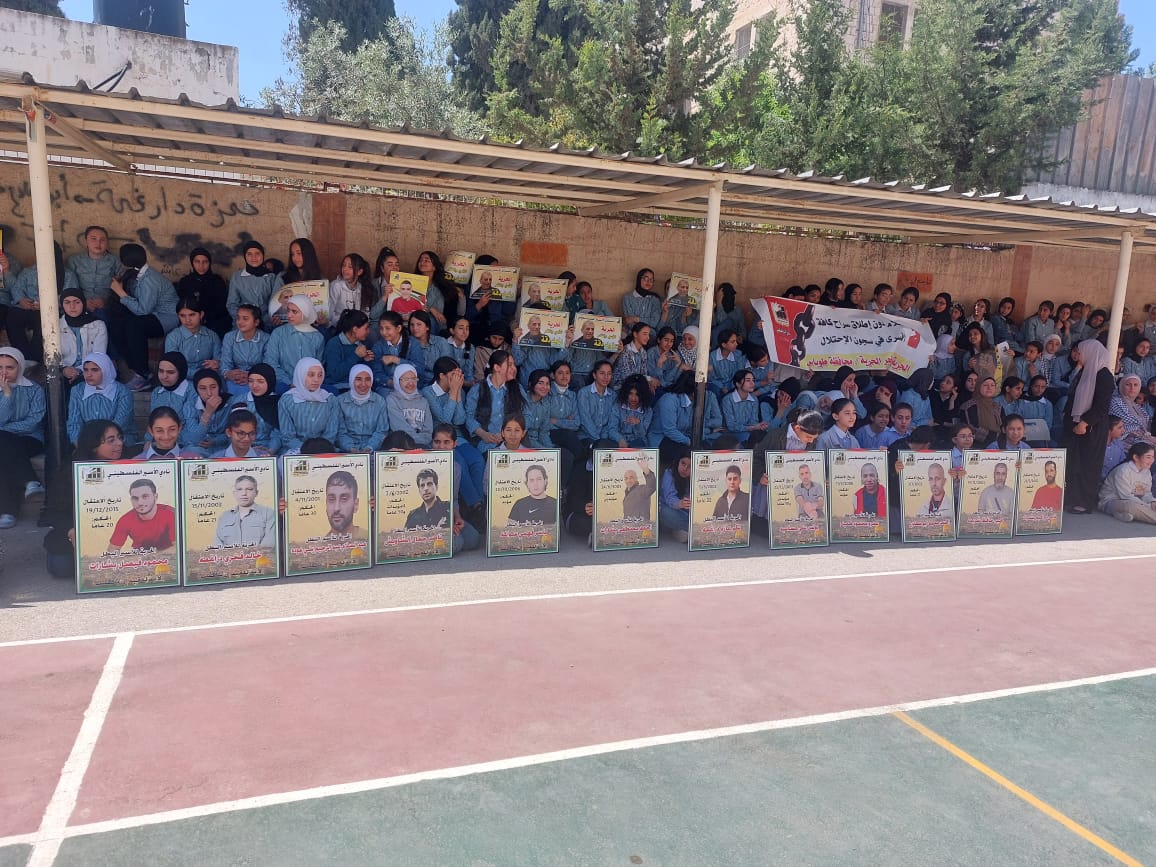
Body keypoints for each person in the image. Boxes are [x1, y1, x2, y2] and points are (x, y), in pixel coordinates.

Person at [106, 243, 179, 390]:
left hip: (166, 317)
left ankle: (142, 374)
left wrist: (120, 292)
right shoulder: (135, 274)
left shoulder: (150, 279)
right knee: (116, 323)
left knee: (135, 326)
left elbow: (142, 311)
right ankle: (134, 367)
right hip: (151, 314)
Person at [1063, 339, 1114, 514]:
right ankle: (1072, 498)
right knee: (1075, 463)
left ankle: (1084, 502)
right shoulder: (1086, 371)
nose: (1079, 355)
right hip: (1076, 426)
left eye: (1081, 352)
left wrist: (1085, 422)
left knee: (1087, 464)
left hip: (1092, 427)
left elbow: (1102, 406)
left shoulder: (1104, 376)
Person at [0, 346, 46, 529]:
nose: (4, 372)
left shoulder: (34, 389)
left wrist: (4, 429)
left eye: (10, 367)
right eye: (0, 367)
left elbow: (33, 422)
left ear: (19, 367)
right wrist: (7, 395)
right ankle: (30, 481)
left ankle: (7, 512)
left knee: (4, 444)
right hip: (6, 442)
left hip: (30, 438)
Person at [66, 352, 136, 446]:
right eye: (86, 370)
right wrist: (79, 445)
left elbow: (120, 424)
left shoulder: (123, 392)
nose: (89, 374)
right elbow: (74, 422)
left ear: (105, 370)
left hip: (118, 440)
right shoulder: (77, 390)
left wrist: (98, 445)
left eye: (95, 370)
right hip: (87, 441)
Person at [278, 357, 338, 454]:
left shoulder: (330, 400)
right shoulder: (286, 401)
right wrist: (308, 450)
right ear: (300, 375)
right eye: (311, 375)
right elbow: (288, 437)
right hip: (296, 451)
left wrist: (319, 450)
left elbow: (331, 434)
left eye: (320, 375)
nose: (316, 379)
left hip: (324, 450)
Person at [266, 294, 325, 386]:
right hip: (282, 384)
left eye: (294, 312)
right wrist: (289, 383)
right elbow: (270, 362)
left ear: (305, 312)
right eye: (288, 310)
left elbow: (318, 366)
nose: (289, 315)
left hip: (310, 385)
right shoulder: (278, 333)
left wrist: (307, 383)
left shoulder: (317, 337)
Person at [105, 478, 177, 553]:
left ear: (155, 497)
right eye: (135, 498)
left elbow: (179, 547)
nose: (140, 503)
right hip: (140, 556)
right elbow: (111, 552)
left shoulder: (171, 514)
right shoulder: (125, 520)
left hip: (169, 556)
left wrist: (153, 556)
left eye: (145, 496)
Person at [175, 247, 231, 337]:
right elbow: (182, 305)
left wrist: (205, 318)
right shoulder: (185, 282)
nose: (201, 266)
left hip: (213, 321)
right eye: (197, 262)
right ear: (192, 263)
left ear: (209, 263)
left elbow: (221, 307)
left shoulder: (217, 281)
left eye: (205, 262)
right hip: (190, 320)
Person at [335, 364, 389, 452]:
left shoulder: (379, 401)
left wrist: (369, 447)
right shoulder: (339, 401)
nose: (363, 384)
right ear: (351, 380)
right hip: (346, 451)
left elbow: (382, 431)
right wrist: (350, 448)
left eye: (367, 379)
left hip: (374, 450)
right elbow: (340, 432)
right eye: (358, 379)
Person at [164, 297, 222, 380]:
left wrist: (216, 364)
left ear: (201, 314)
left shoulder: (212, 336)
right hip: (182, 380)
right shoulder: (173, 338)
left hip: (208, 379)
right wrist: (200, 373)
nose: (187, 320)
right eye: (182, 315)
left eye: (192, 315)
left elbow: (219, 360)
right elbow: (173, 366)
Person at [1098, 442, 1156, 524]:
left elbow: (1146, 493)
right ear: (1136, 457)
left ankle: (1121, 514)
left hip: (1136, 501)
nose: (1151, 461)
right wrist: (1148, 506)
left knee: (1148, 505)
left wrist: (1152, 502)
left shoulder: (1146, 471)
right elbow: (1126, 496)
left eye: (1153, 457)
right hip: (1111, 501)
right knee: (1132, 506)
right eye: (1148, 457)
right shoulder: (1123, 471)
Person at [58, 289, 108, 384]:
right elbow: (52, 356)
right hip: (63, 372)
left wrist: (79, 370)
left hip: (91, 371)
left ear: (84, 303)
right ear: (62, 305)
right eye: (67, 302)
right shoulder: (56, 326)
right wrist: (64, 370)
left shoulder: (98, 324)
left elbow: (99, 355)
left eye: (77, 302)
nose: (72, 306)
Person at [212, 474, 276, 547]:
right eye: (240, 489)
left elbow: (268, 546)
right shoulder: (224, 517)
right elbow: (218, 546)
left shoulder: (268, 514)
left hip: (259, 555)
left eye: (249, 489)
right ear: (234, 493)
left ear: (256, 493)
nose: (244, 493)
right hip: (229, 555)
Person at [323, 309, 376, 392]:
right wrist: (355, 356)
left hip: (359, 387)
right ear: (355, 329)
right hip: (338, 388)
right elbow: (334, 375)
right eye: (366, 328)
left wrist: (366, 361)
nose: (368, 331)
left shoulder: (364, 344)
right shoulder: (334, 344)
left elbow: (366, 374)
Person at [183, 369, 233, 453]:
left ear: (219, 387)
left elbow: (234, 433)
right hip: (202, 450)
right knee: (191, 450)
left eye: (213, 387)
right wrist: (207, 413)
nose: (209, 393)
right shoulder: (190, 406)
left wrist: (215, 441)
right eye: (203, 388)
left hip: (224, 448)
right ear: (197, 390)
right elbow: (194, 440)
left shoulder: (231, 402)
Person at [385, 363, 434, 447]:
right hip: (401, 446)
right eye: (406, 379)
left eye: (414, 379)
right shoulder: (392, 400)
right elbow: (399, 427)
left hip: (423, 446)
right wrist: (416, 442)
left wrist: (422, 443)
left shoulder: (423, 401)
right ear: (397, 381)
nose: (411, 383)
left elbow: (428, 430)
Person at [227, 240, 277, 320]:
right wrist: (244, 320)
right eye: (249, 254)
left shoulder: (271, 277)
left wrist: (265, 320)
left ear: (263, 255)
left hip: (267, 323)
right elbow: (232, 304)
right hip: (244, 323)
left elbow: (275, 303)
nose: (254, 257)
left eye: (257, 253)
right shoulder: (237, 277)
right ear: (245, 256)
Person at [659, 448, 692, 542]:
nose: (685, 469)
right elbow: (670, 498)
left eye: (690, 466)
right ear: (678, 462)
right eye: (683, 463)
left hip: (686, 513)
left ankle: (682, 531)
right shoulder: (669, 474)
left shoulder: (697, 477)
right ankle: (695, 530)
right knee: (664, 512)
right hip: (671, 510)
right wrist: (679, 503)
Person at [324, 470, 364, 538]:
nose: (336, 508)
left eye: (344, 499)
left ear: (356, 505)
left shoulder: (371, 538)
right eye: (331, 499)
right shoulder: (318, 543)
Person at [621, 455, 656, 521]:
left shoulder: (641, 490)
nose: (628, 480)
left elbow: (652, 486)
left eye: (631, 477)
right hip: (628, 526)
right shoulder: (626, 496)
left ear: (636, 478)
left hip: (641, 526)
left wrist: (646, 469)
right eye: (626, 478)